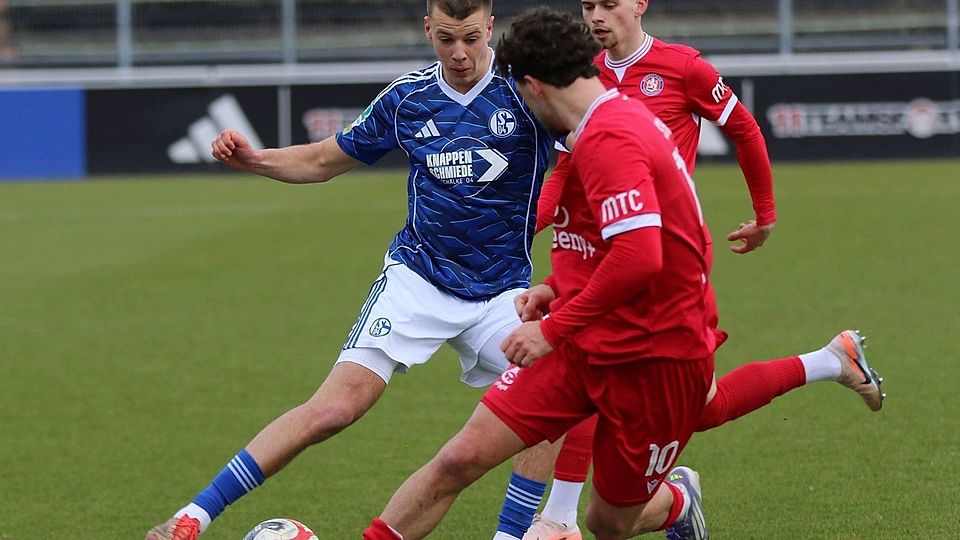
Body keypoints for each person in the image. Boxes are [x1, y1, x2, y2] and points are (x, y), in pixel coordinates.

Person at [144, 1, 556, 539]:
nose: (459, 53)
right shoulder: (408, 98)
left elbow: (584, 153)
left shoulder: (528, 91)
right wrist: (254, 160)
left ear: (491, 28)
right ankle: (191, 517)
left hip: (502, 292)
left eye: (472, 39)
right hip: (418, 280)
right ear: (427, 29)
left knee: (553, 394)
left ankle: (516, 534)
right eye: (446, 38)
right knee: (333, 410)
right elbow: (322, 160)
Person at [508, 2, 885, 538]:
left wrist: (765, 214)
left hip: (665, 262)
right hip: (596, 253)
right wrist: (523, 229)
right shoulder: (577, 74)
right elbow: (564, 171)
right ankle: (831, 361)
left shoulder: (683, 69)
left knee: (602, 367)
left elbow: (746, 130)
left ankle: (562, 518)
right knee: (693, 405)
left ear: (639, 4)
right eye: (588, 4)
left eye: (609, 3)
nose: (596, 14)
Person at [362, 8, 720, 539]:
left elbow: (641, 257)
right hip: (584, 344)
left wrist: (551, 329)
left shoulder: (610, 135)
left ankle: (678, 497)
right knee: (460, 459)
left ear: (531, 85)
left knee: (608, 522)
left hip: (645, 349)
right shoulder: (594, 128)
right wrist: (554, 288)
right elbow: (612, 244)